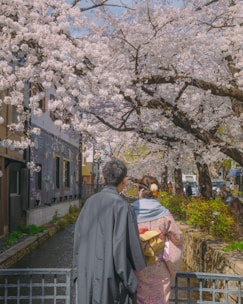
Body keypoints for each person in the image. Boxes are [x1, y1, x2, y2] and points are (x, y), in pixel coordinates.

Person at [72, 159, 146, 304]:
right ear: (124, 181)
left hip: (86, 276)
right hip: (110, 280)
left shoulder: (88, 203)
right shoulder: (123, 207)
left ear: (103, 179)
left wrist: (77, 273)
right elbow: (125, 250)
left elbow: (77, 242)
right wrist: (131, 282)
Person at [131, 175, 183, 304]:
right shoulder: (164, 214)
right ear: (156, 192)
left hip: (136, 267)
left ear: (140, 191)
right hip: (158, 268)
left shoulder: (130, 212)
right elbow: (177, 238)